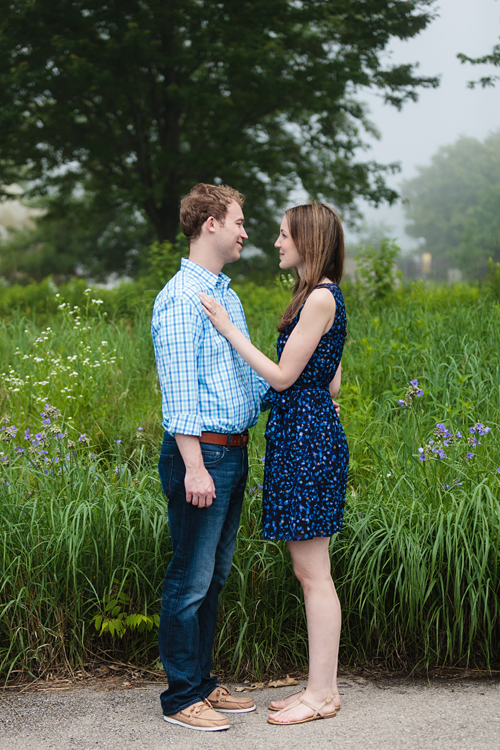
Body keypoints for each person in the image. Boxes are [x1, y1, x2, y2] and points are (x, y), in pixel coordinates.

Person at [199, 201, 348, 726]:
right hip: (304, 438)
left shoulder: (320, 298)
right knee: (310, 570)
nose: (277, 243)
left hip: (307, 445)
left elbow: (284, 378)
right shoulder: (316, 297)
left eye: (285, 235)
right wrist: (313, 392)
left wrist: (228, 330)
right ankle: (318, 687)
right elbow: (328, 382)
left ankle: (323, 694)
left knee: (314, 575)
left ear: (308, 241)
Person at [151, 183, 268, 732]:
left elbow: (240, 377)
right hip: (204, 458)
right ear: (212, 224)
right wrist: (195, 466)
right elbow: (179, 391)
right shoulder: (181, 297)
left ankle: (202, 681)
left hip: (232, 452)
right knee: (189, 579)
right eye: (239, 221)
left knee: (214, 577)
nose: (247, 232)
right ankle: (180, 699)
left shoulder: (225, 293)